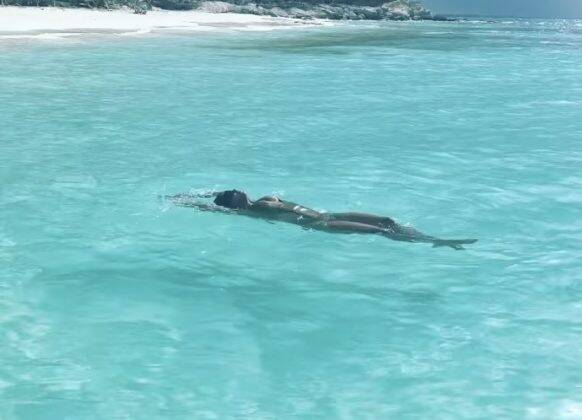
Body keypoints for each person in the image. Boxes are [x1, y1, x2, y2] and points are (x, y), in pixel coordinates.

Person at [167, 189, 477, 250]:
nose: (234, 191)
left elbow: (211, 202)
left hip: (329, 215)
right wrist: (186, 201)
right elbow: (209, 207)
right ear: (235, 203)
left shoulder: (261, 202)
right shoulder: (253, 208)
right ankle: (436, 242)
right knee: (380, 231)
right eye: (231, 193)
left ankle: (431, 238)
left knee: (385, 220)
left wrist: (198, 196)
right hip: (321, 224)